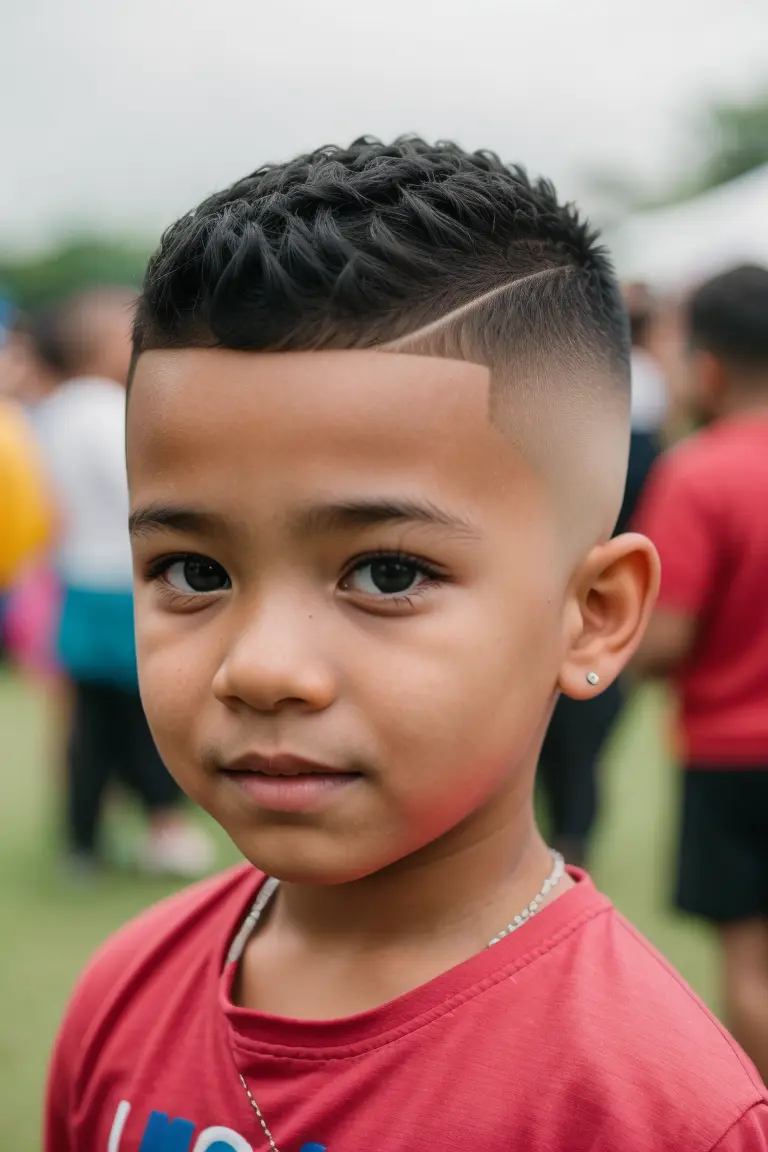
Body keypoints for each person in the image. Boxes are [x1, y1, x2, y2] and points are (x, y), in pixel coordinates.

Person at [46, 141, 768, 1151]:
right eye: (194, 572)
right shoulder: (123, 993)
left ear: (595, 612)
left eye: (387, 574)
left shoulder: (649, 1110)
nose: (259, 667)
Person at [634, 264, 768, 1084]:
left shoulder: (698, 473)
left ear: (708, 365)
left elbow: (661, 642)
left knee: (752, 970)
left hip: (731, 758)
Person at [32, 288, 214, 876]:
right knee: (140, 712)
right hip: (117, 586)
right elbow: (142, 497)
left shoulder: (57, 411)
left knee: (93, 722)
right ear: (97, 342)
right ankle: (164, 828)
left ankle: (83, 841)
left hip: (77, 584)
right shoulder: (106, 410)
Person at [537, 283, 669, 867]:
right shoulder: (642, 397)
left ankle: (564, 848)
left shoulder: (575, 389)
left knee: (562, 745)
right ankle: (570, 847)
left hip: (571, 582)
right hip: (599, 588)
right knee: (578, 747)